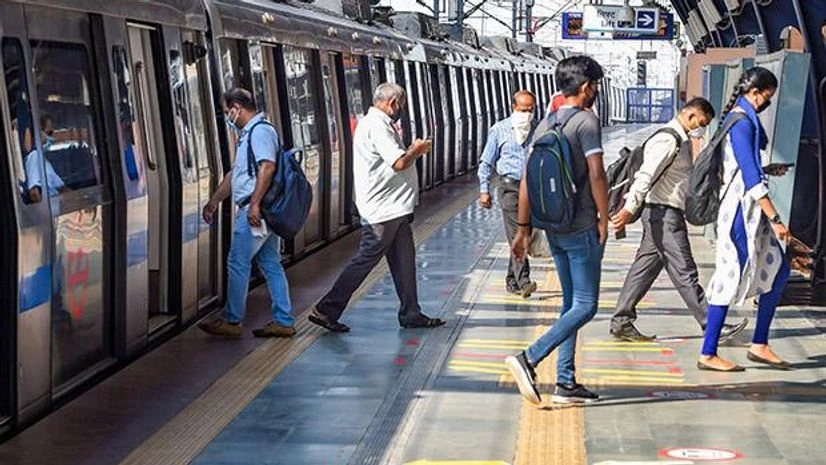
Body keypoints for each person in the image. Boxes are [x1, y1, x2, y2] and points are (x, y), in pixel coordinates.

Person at [505, 56, 609, 404]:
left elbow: (526, 179)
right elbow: (597, 173)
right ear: (586, 87)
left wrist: (523, 229)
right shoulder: (586, 122)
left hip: (552, 225)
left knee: (570, 304)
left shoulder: (546, 123)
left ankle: (565, 382)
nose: (595, 92)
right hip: (580, 226)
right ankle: (529, 358)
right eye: (595, 86)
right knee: (586, 305)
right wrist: (604, 218)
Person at [308, 83, 445, 332]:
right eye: (401, 105)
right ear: (393, 103)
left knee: (405, 259)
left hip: (395, 207)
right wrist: (417, 149)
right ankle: (326, 308)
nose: (401, 109)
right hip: (383, 209)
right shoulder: (376, 126)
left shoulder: (378, 124)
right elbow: (399, 163)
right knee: (366, 258)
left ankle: (411, 313)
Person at [609, 98, 748, 342]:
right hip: (663, 214)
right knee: (685, 270)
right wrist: (630, 207)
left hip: (662, 214)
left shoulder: (680, 140)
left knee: (644, 269)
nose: (701, 129)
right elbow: (646, 175)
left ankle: (621, 321)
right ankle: (711, 324)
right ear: (690, 116)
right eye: (701, 123)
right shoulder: (668, 140)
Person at [697, 67, 799, 372]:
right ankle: (708, 352)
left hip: (751, 212)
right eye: (767, 97)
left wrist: (769, 170)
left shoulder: (741, 119)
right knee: (729, 276)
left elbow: (745, 168)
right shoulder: (741, 123)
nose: (767, 103)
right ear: (755, 93)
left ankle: (760, 344)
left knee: (778, 269)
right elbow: (751, 180)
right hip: (740, 214)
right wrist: (777, 219)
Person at [199, 88, 295, 338]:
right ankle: (283, 320)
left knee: (237, 261)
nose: (227, 117)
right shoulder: (248, 135)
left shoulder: (259, 131)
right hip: (261, 211)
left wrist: (254, 204)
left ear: (237, 108)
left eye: (226, 112)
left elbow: (268, 166)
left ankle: (232, 320)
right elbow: (235, 175)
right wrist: (214, 202)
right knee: (270, 263)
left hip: (256, 212)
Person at [478, 90, 539, 298]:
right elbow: (486, 162)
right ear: (514, 108)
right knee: (517, 232)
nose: (527, 115)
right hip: (510, 188)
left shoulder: (539, 129)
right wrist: (484, 190)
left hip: (532, 188)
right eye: (523, 110)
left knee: (525, 233)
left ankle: (512, 280)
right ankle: (524, 281)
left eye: (531, 110)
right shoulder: (499, 130)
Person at [24, 114, 68, 202]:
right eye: (49, 133)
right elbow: (34, 193)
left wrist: (79, 198)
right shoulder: (34, 156)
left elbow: (62, 188)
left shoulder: (45, 162)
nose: (51, 138)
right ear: (38, 133)